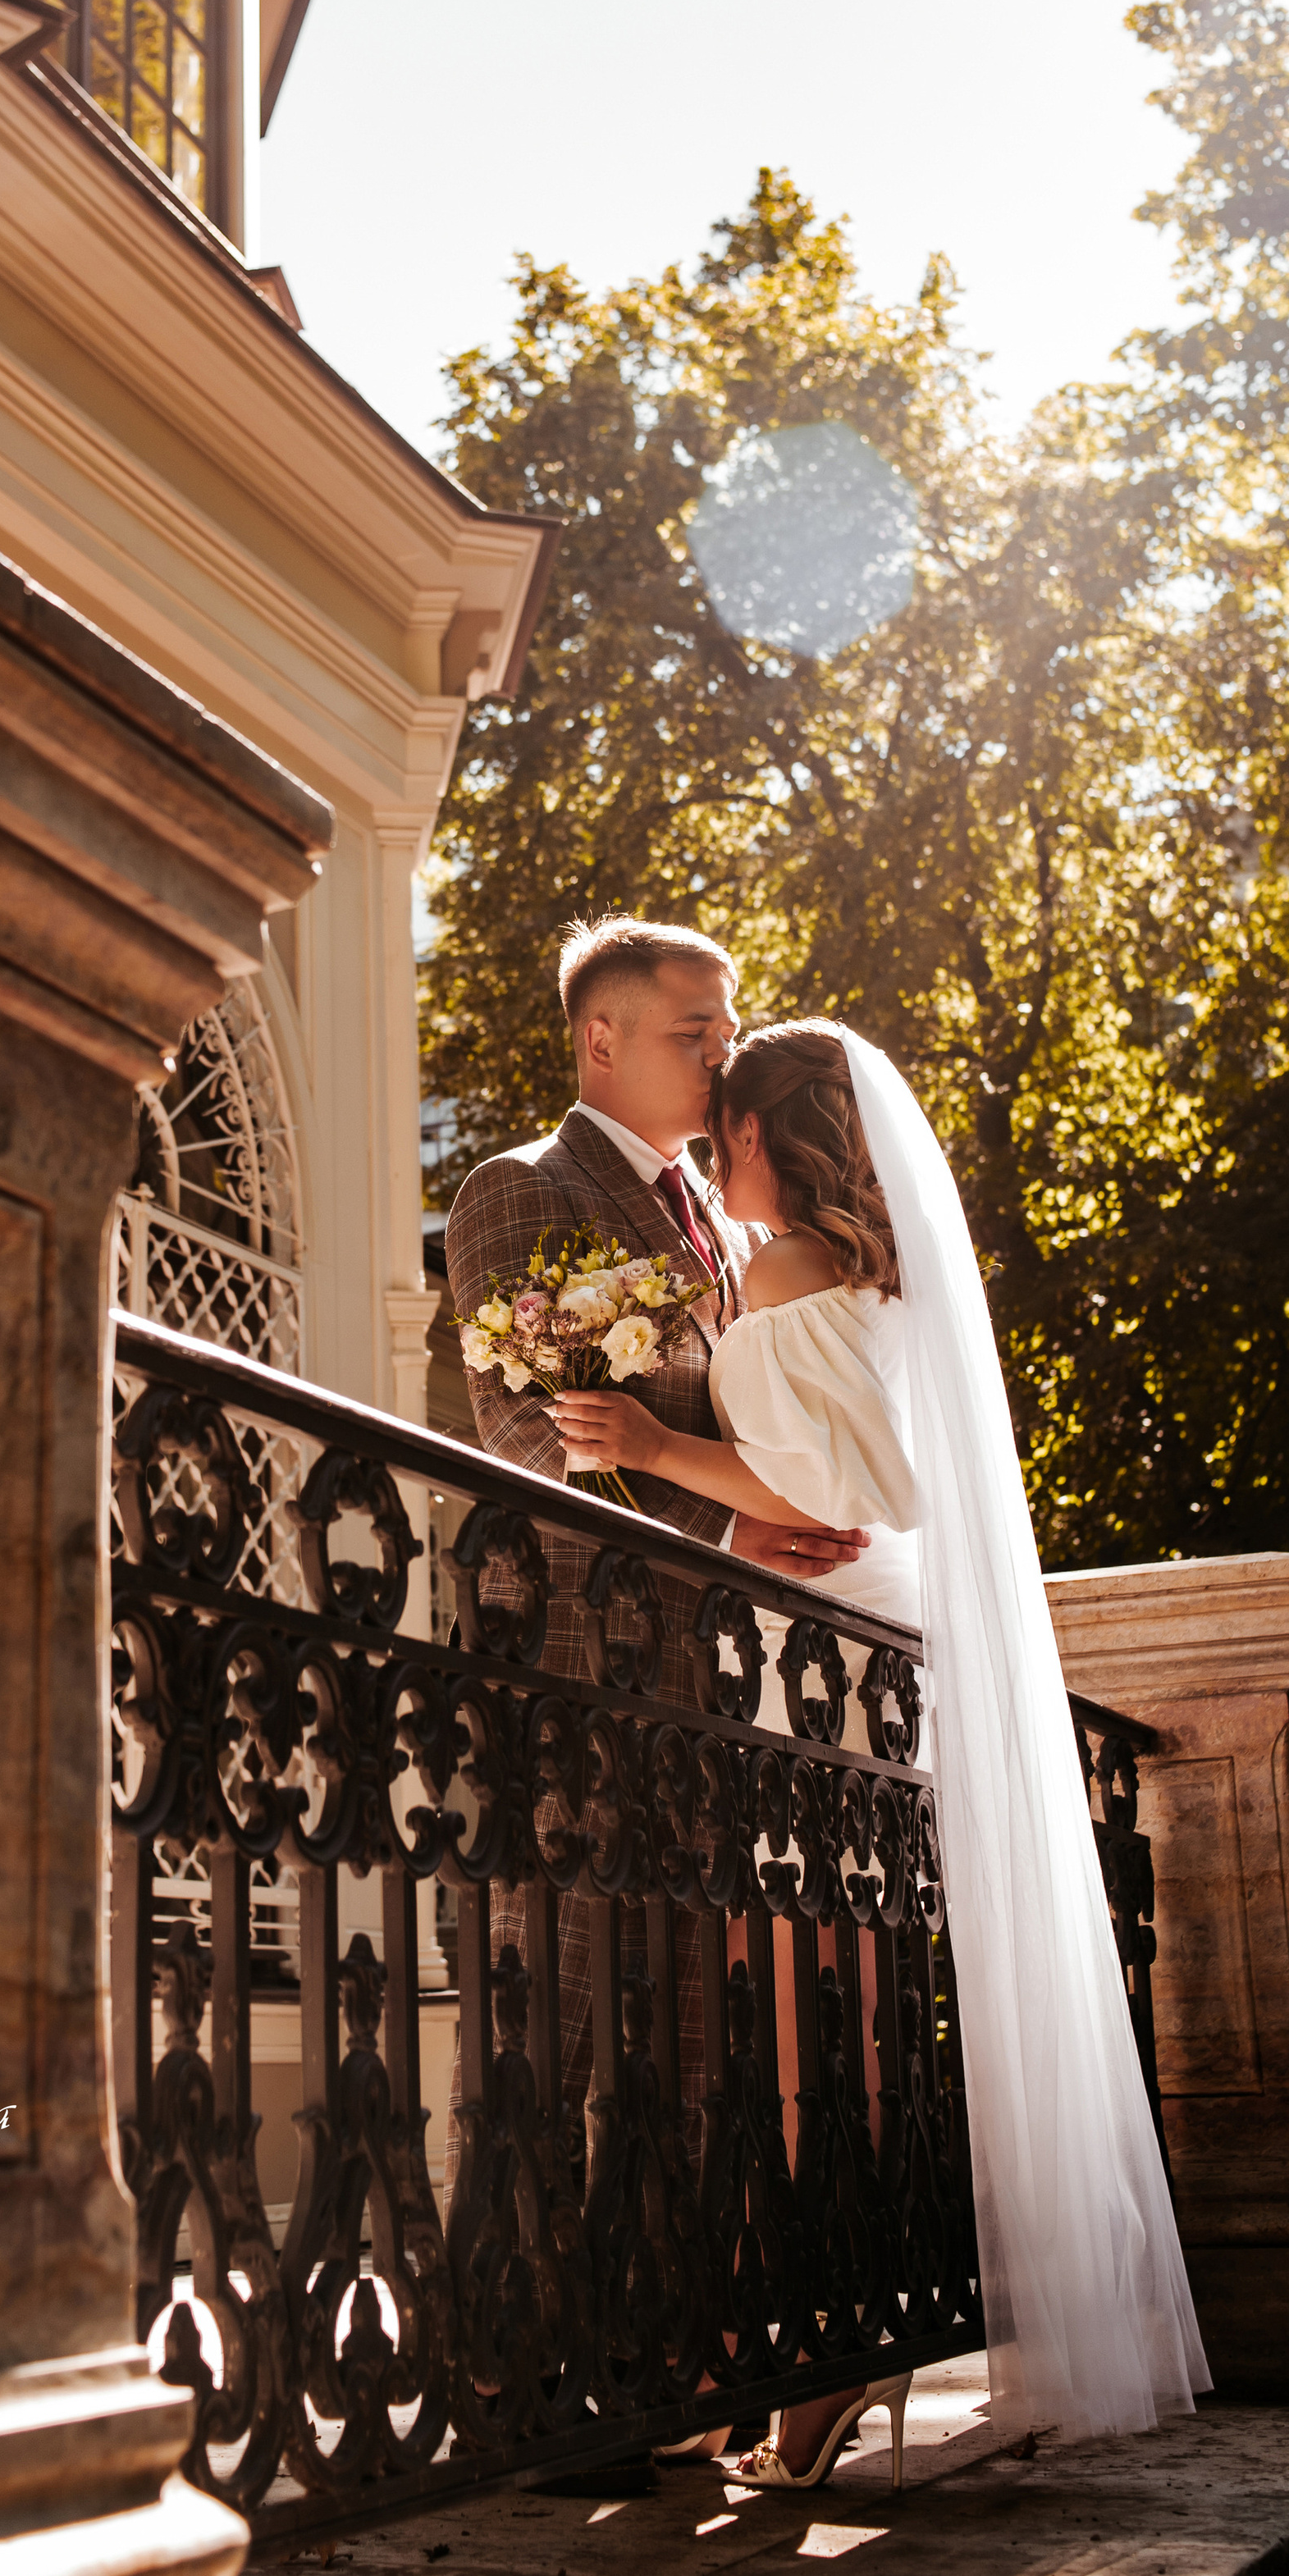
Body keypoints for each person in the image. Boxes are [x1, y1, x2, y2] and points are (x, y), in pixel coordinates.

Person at [554, 1018, 1209, 2479]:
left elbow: (820, 1491)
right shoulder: (894, 1289)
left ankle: (812, 2356)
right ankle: (820, 2347)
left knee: (797, 2034)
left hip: (818, 1673)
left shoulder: (787, 1277)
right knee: (852, 2021)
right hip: (900, 1675)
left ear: (779, 1142)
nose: (718, 1156)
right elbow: (887, 1486)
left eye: (730, 1133)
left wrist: (654, 1452)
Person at [444, 922, 868, 2155]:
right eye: (697, 1033)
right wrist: (734, 1516)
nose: (723, 1054)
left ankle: (661, 2333)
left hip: (730, 1681)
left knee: (691, 2039)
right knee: (545, 2018)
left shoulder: (744, 1228)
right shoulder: (519, 1188)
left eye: (730, 1030)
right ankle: (500, 2332)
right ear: (601, 1038)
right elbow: (526, 1438)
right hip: (576, 1668)